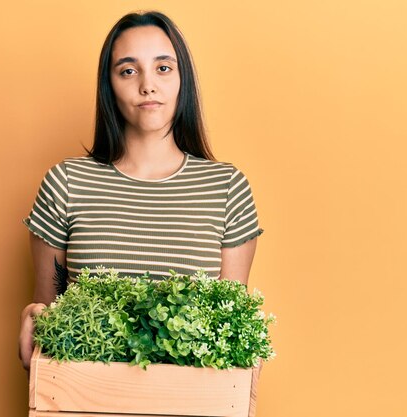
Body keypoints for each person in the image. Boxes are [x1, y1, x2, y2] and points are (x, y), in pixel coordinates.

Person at [18, 10, 264, 371]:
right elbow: (49, 318)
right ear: (109, 85)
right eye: (128, 70)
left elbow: (226, 337)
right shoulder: (66, 183)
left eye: (163, 68)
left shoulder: (226, 189)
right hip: (85, 402)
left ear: (183, 80)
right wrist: (32, 318)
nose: (147, 84)